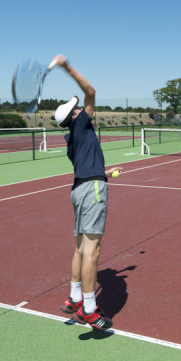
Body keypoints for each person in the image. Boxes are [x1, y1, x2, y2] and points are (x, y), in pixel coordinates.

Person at [53, 54, 121, 330]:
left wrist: (103, 174)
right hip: (91, 189)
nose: (82, 109)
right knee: (92, 251)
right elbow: (90, 91)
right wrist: (66, 66)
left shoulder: (74, 137)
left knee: (81, 248)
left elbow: (87, 164)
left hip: (81, 188)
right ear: (74, 117)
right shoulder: (81, 124)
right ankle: (90, 310)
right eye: (77, 109)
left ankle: (74, 297)